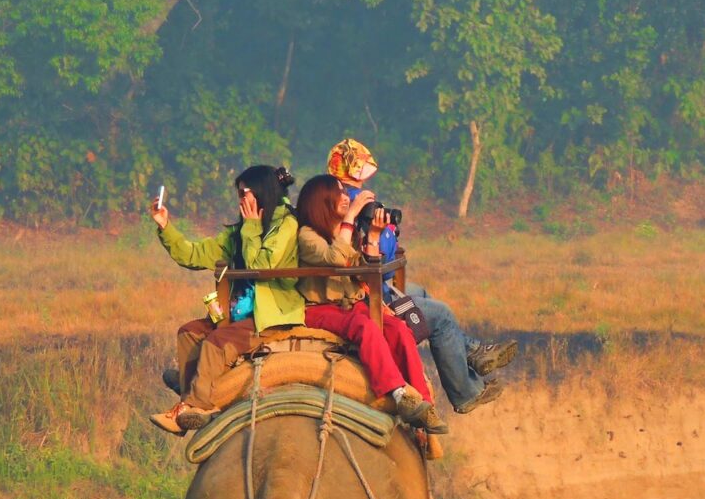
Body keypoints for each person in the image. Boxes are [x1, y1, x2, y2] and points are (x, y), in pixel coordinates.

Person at [326, 139, 517, 413]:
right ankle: (466, 393)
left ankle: (473, 352)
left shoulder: (335, 197)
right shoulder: (344, 205)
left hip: (374, 283)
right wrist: (373, 230)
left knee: (420, 292)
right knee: (441, 316)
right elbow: (369, 257)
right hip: (363, 292)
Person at [149, 165, 304, 435]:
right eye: (239, 193)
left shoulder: (287, 225)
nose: (241, 199)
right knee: (188, 333)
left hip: (269, 314)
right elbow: (194, 255)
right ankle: (191, 397)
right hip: (238, 311)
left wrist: (253, 227)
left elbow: (262, 265)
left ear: (262, 193)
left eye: (245, 193)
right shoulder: (240, 231)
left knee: (216, 344)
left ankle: (196, 406)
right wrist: (165, 227)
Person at [296, 173, 449, 435]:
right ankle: (398, 392)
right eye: (340, 194)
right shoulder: (307, 235)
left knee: (398, 329)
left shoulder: (343, 232)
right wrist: (350, 218)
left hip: (352, 304)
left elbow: (365, 271)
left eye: (347, 194)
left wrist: (374, 236)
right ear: (322, 201)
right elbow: (334, 258)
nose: (347, 198)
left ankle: (424, 403)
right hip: (320, 308)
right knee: (365, 327)